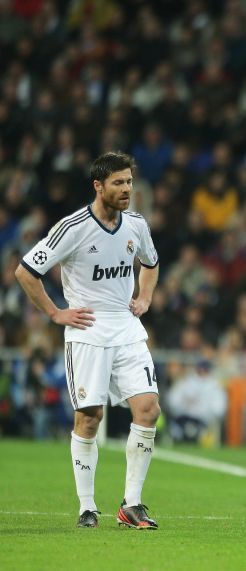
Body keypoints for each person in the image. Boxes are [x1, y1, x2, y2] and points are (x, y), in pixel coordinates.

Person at [15, 152, 161, 529]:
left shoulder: (136, 225)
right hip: (88, 331)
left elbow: (151, 262)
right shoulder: (73, 227)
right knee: (90, 417)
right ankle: (87, 507)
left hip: (127, 328)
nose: (127, 189)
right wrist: (55, 312)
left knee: (148, 409)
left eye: (129, 181)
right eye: (118, 183)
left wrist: (144, 297)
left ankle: (132, 504)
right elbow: (26, 271)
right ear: (99, 186)